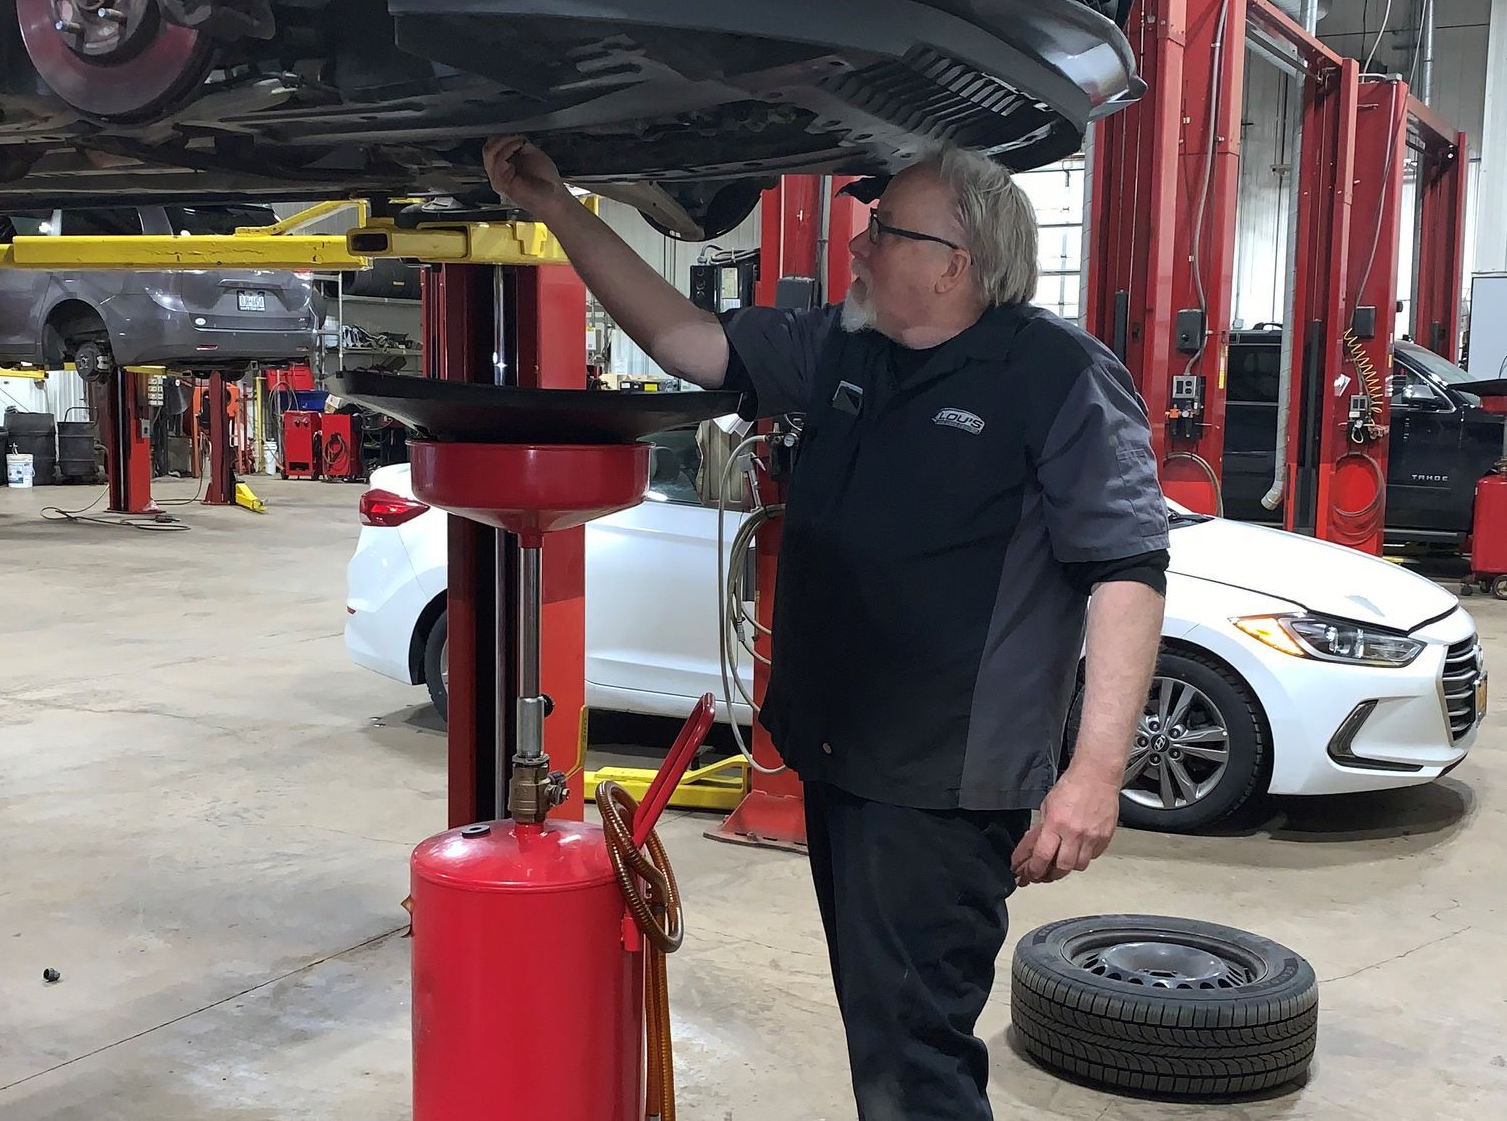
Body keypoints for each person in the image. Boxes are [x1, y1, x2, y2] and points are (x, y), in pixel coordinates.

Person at [483, 135, 1169, 1121]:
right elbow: (689, 341)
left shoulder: (1056, 374)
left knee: (915, 1062)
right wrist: (556, 206)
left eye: (884, 229)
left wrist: (1095, 773)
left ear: (953, 264)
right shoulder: (846, 346)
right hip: (841, 757)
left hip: (940, 787)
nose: (858, 243)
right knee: (882, 1037)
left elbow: (1125, 570)